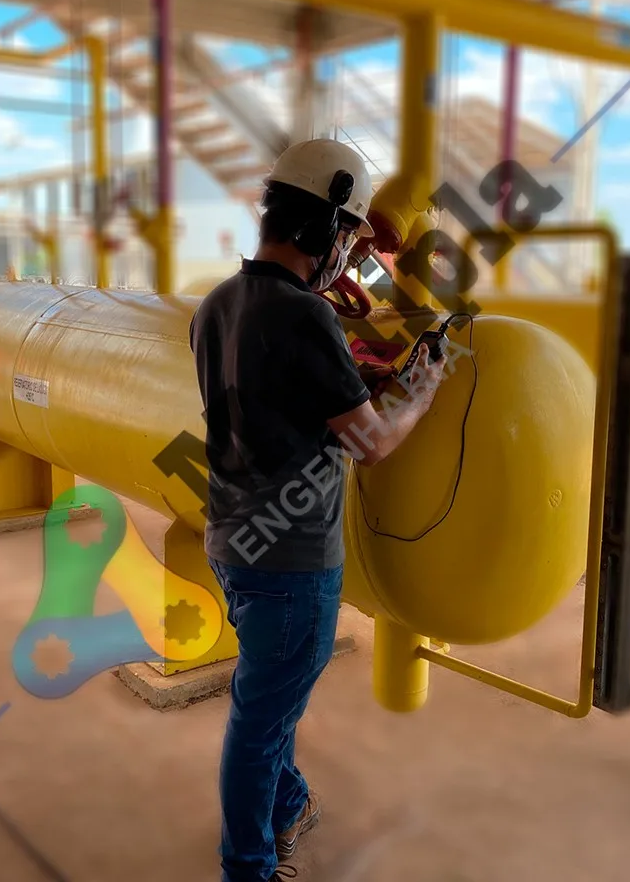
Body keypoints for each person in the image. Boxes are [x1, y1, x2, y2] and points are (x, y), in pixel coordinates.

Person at [189, 139, 445, 882]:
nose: (349, 254)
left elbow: (269, 396)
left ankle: (286, 803)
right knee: (262, 719)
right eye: (349, 235)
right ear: (324, 230)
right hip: (291, 559)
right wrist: (420, 392)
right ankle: (248, 866)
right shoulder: (304, 316)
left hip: (232, 541)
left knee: (270, 694)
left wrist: (355, 377)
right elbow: (369, 444)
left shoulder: (219, 304)